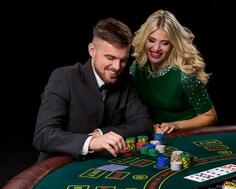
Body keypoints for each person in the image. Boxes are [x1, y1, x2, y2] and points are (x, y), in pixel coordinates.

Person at [33, 18, 153, 162]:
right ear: (92, 50)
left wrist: (102, 133)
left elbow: (144, 124)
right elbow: (43, 135)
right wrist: (91, 142)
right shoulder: (64, 77)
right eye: (110, 57)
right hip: (58, 166)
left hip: (102, 165)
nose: (117, 66)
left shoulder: (126, 81)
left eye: (123, 60)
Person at [130, 10, 217, 134]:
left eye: (165, 43)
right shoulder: (137, 68)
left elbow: (210, 117)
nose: (156, 48)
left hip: (184, 135)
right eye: (152, 40)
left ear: (173, 45)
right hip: (153, 133)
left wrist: (176, 125)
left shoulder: (185, 74)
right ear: (144, 39)